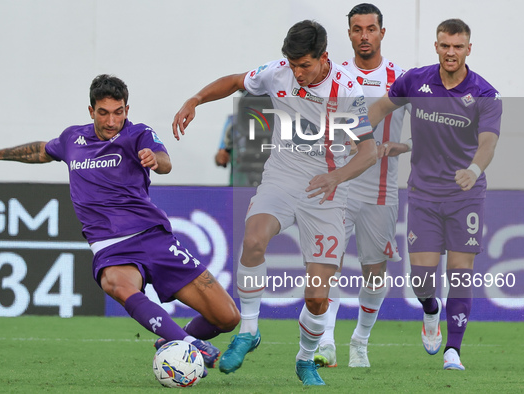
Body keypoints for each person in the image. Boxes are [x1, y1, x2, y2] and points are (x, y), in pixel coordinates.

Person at [0, 74, 240, 374]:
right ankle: (188, 343)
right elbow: (42, 150)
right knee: (117, 284)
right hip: (111, 245)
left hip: (153, 238)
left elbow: (165, 162)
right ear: (91, 111)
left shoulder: (138, 134)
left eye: (118, 112)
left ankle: (172, 340)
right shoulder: (72, 139)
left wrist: (154, 160)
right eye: (104, 112)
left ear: (127, 109)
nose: (112, 121)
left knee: (227, 318)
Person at [173, 20, 377, 385]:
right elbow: (236, 81)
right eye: (293, 64)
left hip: (327, 189)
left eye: (305, 66)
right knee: (253, 240)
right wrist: (196, 99)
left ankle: (304, 359)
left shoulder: (348, 89)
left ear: (324, 58)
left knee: (317, 297)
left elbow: (368, 152)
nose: (297, 73)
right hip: (282, 176)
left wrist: (336, 177)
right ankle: (249, 331)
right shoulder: (279, 72)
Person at [368, 19, 502, 370]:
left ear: (468, 49)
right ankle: (431, 310)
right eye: (445, 45)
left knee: (460, 273)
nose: (451, 52)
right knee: (421, 282)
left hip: (465, 195)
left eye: (458, 46)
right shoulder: (416, 80)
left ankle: (453, 351)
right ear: (436, 46)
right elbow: (380, 108)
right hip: (424, 194)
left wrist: (474, 170)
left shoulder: (485, 94)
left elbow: (488, 142)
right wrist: (353, 135)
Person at [313, 3, 410, 369]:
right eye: (357, 29)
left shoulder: (401, 79)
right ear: (349, 33)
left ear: (382, 33)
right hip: (340, 186)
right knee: (328, 263)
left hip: (381, 190)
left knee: (374, 270)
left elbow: (430, 130)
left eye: (371, 28)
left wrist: (402, 147)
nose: (364, 35)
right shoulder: (333, 76)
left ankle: (360, 342)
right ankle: (326, 342)